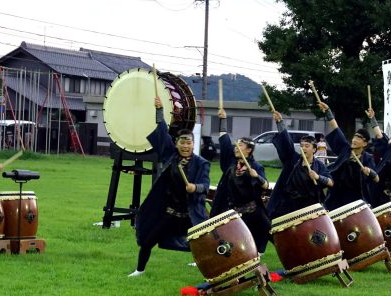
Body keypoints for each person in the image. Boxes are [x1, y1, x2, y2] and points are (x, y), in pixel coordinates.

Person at [129, 96, 210, 277]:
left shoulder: (201, 163)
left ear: (193, 144)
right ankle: (139, 270)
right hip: (169, 212)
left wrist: (194, 188)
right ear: (177, 144)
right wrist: (159, 110)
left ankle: (208, 267)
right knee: (148, 240)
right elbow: (162, 133)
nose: (185, 146)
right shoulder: (170, 156)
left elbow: (205, 185)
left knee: (203, 243)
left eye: (189, 142)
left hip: (190, 213)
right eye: (182, 142)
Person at [210, 107, 271, 254]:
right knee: (216, 232)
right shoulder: (230, 163)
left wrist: (256, 176)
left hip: (251, 209)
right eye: (236, 144)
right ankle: (211, 256)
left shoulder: (256, 166)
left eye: (240, 145)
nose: (236, 147)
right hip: (230, 208)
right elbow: (224, 143)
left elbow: (266, 185)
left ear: (249, 150)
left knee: (266, 231)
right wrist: (223, 120)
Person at [266, 111, 333, 218]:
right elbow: (287, 143)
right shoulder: (293, 160)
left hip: (309, 208)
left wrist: (318, 177)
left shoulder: (319, 166)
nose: (303, 148)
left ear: (314, 149)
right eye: (302, 146)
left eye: (307, 146)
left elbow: (330, 182)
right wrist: (280, 123)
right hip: (288, 206)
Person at [316, 102, 380, 211]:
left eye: (359, 138)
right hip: (336, 195)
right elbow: (336, 129)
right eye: (355, 136)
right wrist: (328, 112)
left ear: (365, 144)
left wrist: (370, 172)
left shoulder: (367, 158)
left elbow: (376, 179)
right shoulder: (345, 149)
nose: (354, 139)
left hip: (356, 199)